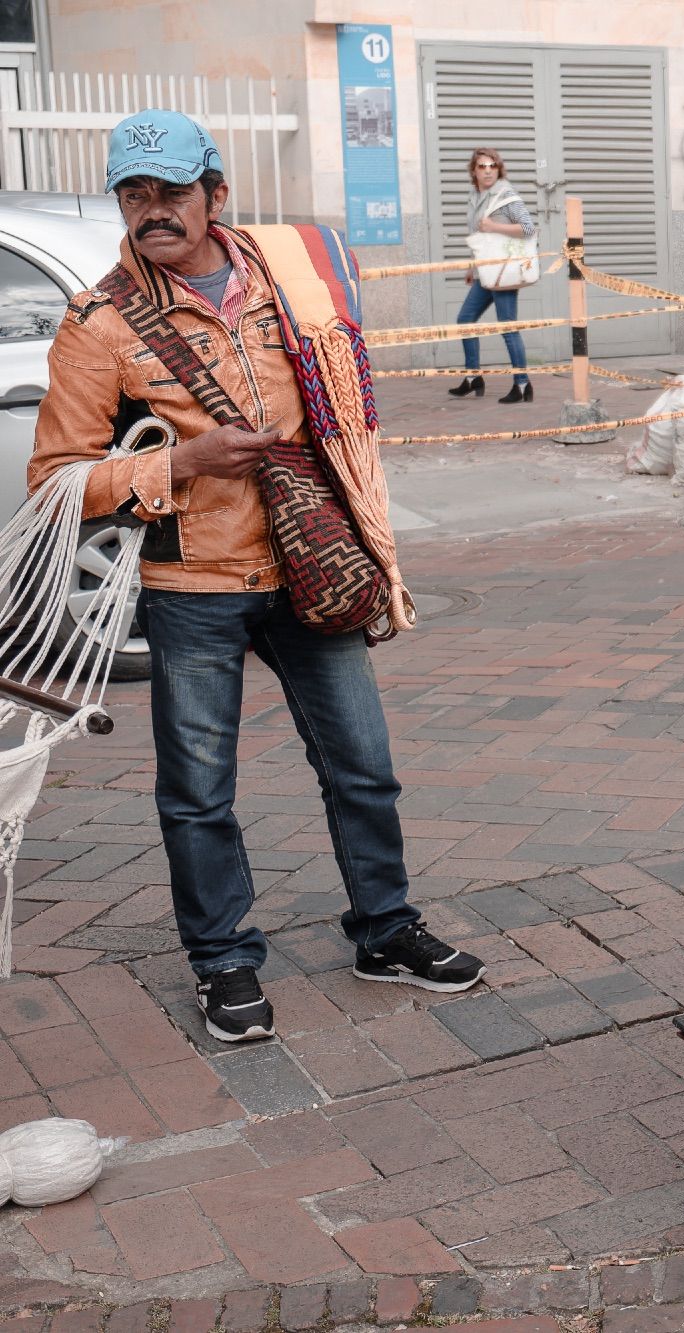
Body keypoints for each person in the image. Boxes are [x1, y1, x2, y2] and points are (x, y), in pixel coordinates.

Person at [29, 110, 486, 1043]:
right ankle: (224, 962)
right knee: (199, 792)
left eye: (171, 192)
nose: (153, 211)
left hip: (312, 570)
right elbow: (56, 483)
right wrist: (181, 466)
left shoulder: (290, 282)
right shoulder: (99, 324)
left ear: (215, 194)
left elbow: (341, 400)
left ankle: (386, 929)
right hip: (194, 584)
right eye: (134, 193)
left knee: (363, 766)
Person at [450, 148, 537, 405]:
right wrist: (471, 267)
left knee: (507, 326)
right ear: (474, 170)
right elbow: (478, 236)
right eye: (482, 166)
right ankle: (473, 378)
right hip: (484, 271)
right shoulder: (475, 195)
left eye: (492, 166)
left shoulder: (506, 195)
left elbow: (528, 228)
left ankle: (522, 384)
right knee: (465, 319)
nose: (488, 170)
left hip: (504, 272)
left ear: (499, 169)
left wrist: (495, 226)